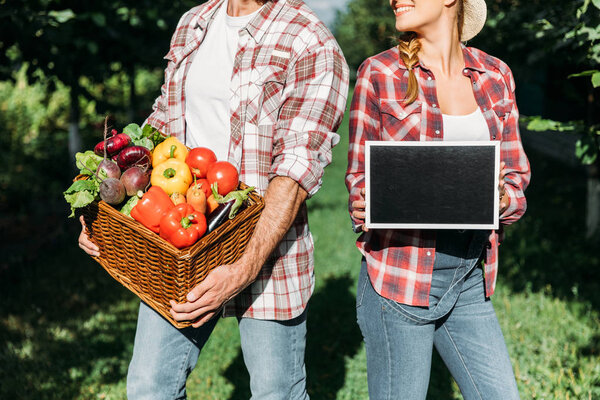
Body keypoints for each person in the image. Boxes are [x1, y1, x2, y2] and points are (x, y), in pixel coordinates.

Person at [78, 0, 349, 398]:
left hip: (265, 249)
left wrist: (243, 268)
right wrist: (105, 213)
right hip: (179, 243)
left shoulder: (310, 40)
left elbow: (295, 172)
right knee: (149, 388)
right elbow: (161, 125)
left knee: (277, 392)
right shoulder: (195, 22)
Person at [345, 0, 530, 399]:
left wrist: (497, 198)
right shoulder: (380, 72)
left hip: (468, 275)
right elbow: (359, 181)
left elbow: (516, 182)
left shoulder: (496, 75)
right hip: (400, 278)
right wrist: (366, 203)